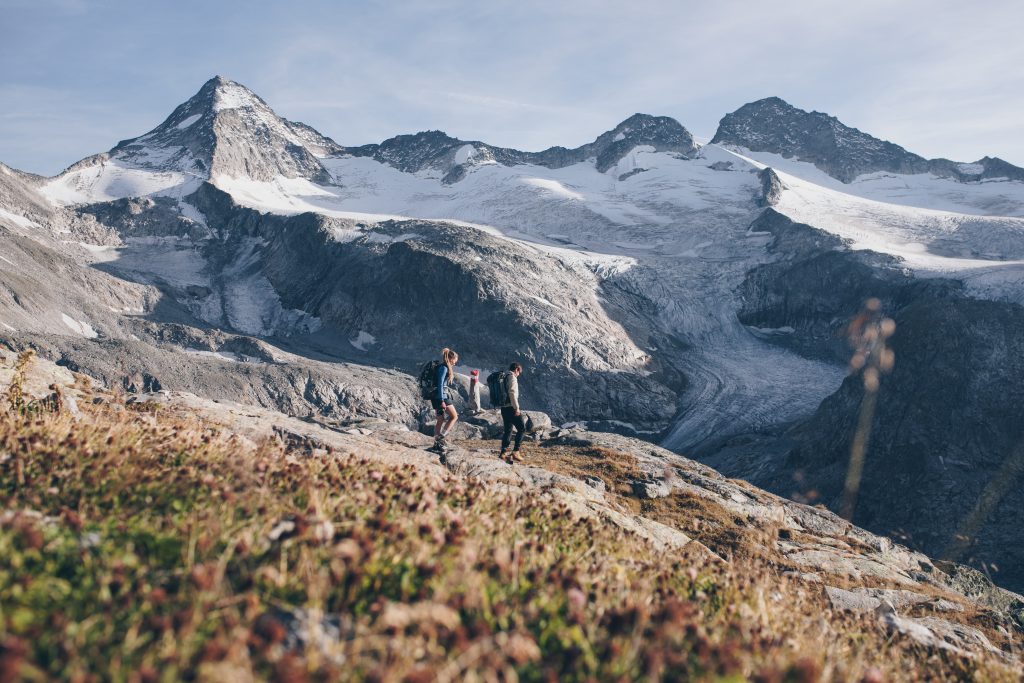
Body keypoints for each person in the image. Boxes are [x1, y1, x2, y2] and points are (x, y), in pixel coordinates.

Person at [430, 348, 459, 453]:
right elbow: (440, 384)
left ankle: (436, 443)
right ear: (451, 359)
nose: (455, 363)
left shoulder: (442, 367)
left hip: (436, 397)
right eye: (455, 360)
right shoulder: (444, 368)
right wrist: (442, 400)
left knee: (440, 420)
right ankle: (440, 439)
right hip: (441, 397)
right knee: (454, 416)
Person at [498, 362, 525, 463]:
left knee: (508, 430)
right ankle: (516, 451)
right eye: (519, 372)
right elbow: (512, 393)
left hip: (503, 408)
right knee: (522, 428)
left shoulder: (504, 376)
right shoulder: (512, 377)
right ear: (517, 369)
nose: (518, 374)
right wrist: (516, 408)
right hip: (511, 408)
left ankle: (503, 452)